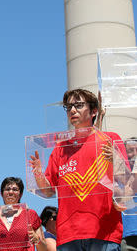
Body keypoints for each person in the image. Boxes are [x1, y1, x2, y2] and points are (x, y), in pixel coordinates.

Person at [29, 89, 127, 250]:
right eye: (68, 107)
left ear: (94, 110)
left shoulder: (110, 139)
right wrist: (38, 174)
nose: (72, 110)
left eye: (79, 105)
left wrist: (116, 161)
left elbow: (126, 182)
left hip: (104, 231)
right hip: (68, 235)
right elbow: (48, 191)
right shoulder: (60, 148)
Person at [0, 177, 46, 251]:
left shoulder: (31, 214)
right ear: (1, 194)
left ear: (20, 194)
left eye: (15, 189)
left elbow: (44, 249)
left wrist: (37, 240)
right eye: (7, 189)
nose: (11, 192)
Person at [122, 138, 137, 251]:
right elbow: (128, 193)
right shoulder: (118, 180)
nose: (135, 154)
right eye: (131, 151)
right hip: (128, 235)